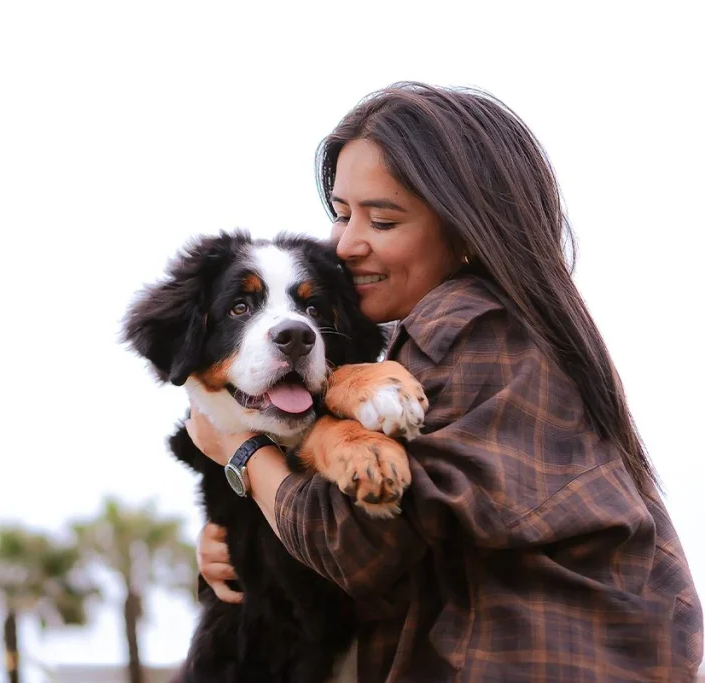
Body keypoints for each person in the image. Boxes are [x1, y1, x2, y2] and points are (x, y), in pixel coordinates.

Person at [185, 82, 704, 681]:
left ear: (465, 232)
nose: (346, 246)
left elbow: (356, 545)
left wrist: (240, 452)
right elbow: (411, 553)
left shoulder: (470, 326)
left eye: (382, 219)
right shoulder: (514, 334)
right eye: (341, 214)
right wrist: (242, 545)